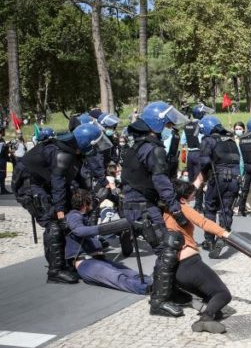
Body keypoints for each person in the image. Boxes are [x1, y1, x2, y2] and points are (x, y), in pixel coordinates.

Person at [12, 124, 110, 284]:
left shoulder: (75, 151)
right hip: (29, 184)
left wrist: (87, 196)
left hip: (45, 181)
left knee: (71, 212)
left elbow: (76, 178)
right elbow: (58, 184)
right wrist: (60, 213)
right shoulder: (63, 154)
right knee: (54, 223)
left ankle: (70, 259)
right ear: (86, 143)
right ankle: (55, 271)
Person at [121, 101, 190, 317]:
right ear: (157, 125)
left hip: (137, 203)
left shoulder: (137, 145)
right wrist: (175, 209)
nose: (171, 128)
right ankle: (159, 301)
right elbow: (161, 181)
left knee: (166, 247)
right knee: (167, 248)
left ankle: (169, 289)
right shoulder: (152, 149)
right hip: (142, 206)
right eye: (168, 125)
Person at [165, 180, 233, 334]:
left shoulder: (164, 211)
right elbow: (202, 222)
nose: (193, 197)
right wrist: (224, 233)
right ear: (183, 198)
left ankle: (211, 311)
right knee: (223, 294)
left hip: (175, 270)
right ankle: (205, 320)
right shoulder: (181, 207)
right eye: (191, 195)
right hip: (190, 264)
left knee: (211, 295)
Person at [65, 189, 151, 295]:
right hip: (85, 263)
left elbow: (93, 207)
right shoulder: (74, 215)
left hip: (98, 260)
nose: (92, 202)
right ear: (84, 203)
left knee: (131, 273)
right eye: (90, 200)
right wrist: (105, 228)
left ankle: (157, 283)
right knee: (117, 277)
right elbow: (79, 231)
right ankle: (150, 290)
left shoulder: (85, 215)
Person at [197, 115, 241, 259]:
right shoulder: (231, 141)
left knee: (210, 207)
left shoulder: (208, 140)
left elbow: (203, 162)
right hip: (234, 178)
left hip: (217, 178)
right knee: (226, 209)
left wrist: (202, 179)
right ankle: (223, 235)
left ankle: (209, 240)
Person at [181, 104, 212, 212]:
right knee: (200, 179)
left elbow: (183, 141)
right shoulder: (201, 125)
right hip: (199, 153)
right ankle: (198, 205)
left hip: (190, 154)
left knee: (191, 179)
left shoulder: (186, 125)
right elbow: (201, 140)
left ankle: (188, 202)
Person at [0, 128, 10, 194]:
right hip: (0, 161)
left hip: (3, 160)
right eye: (4, 131)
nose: (4, 133)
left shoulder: (2, 140)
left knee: (3, 175)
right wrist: (5, 146)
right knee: (1, 175)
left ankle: (3, 189)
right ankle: (3, 190)